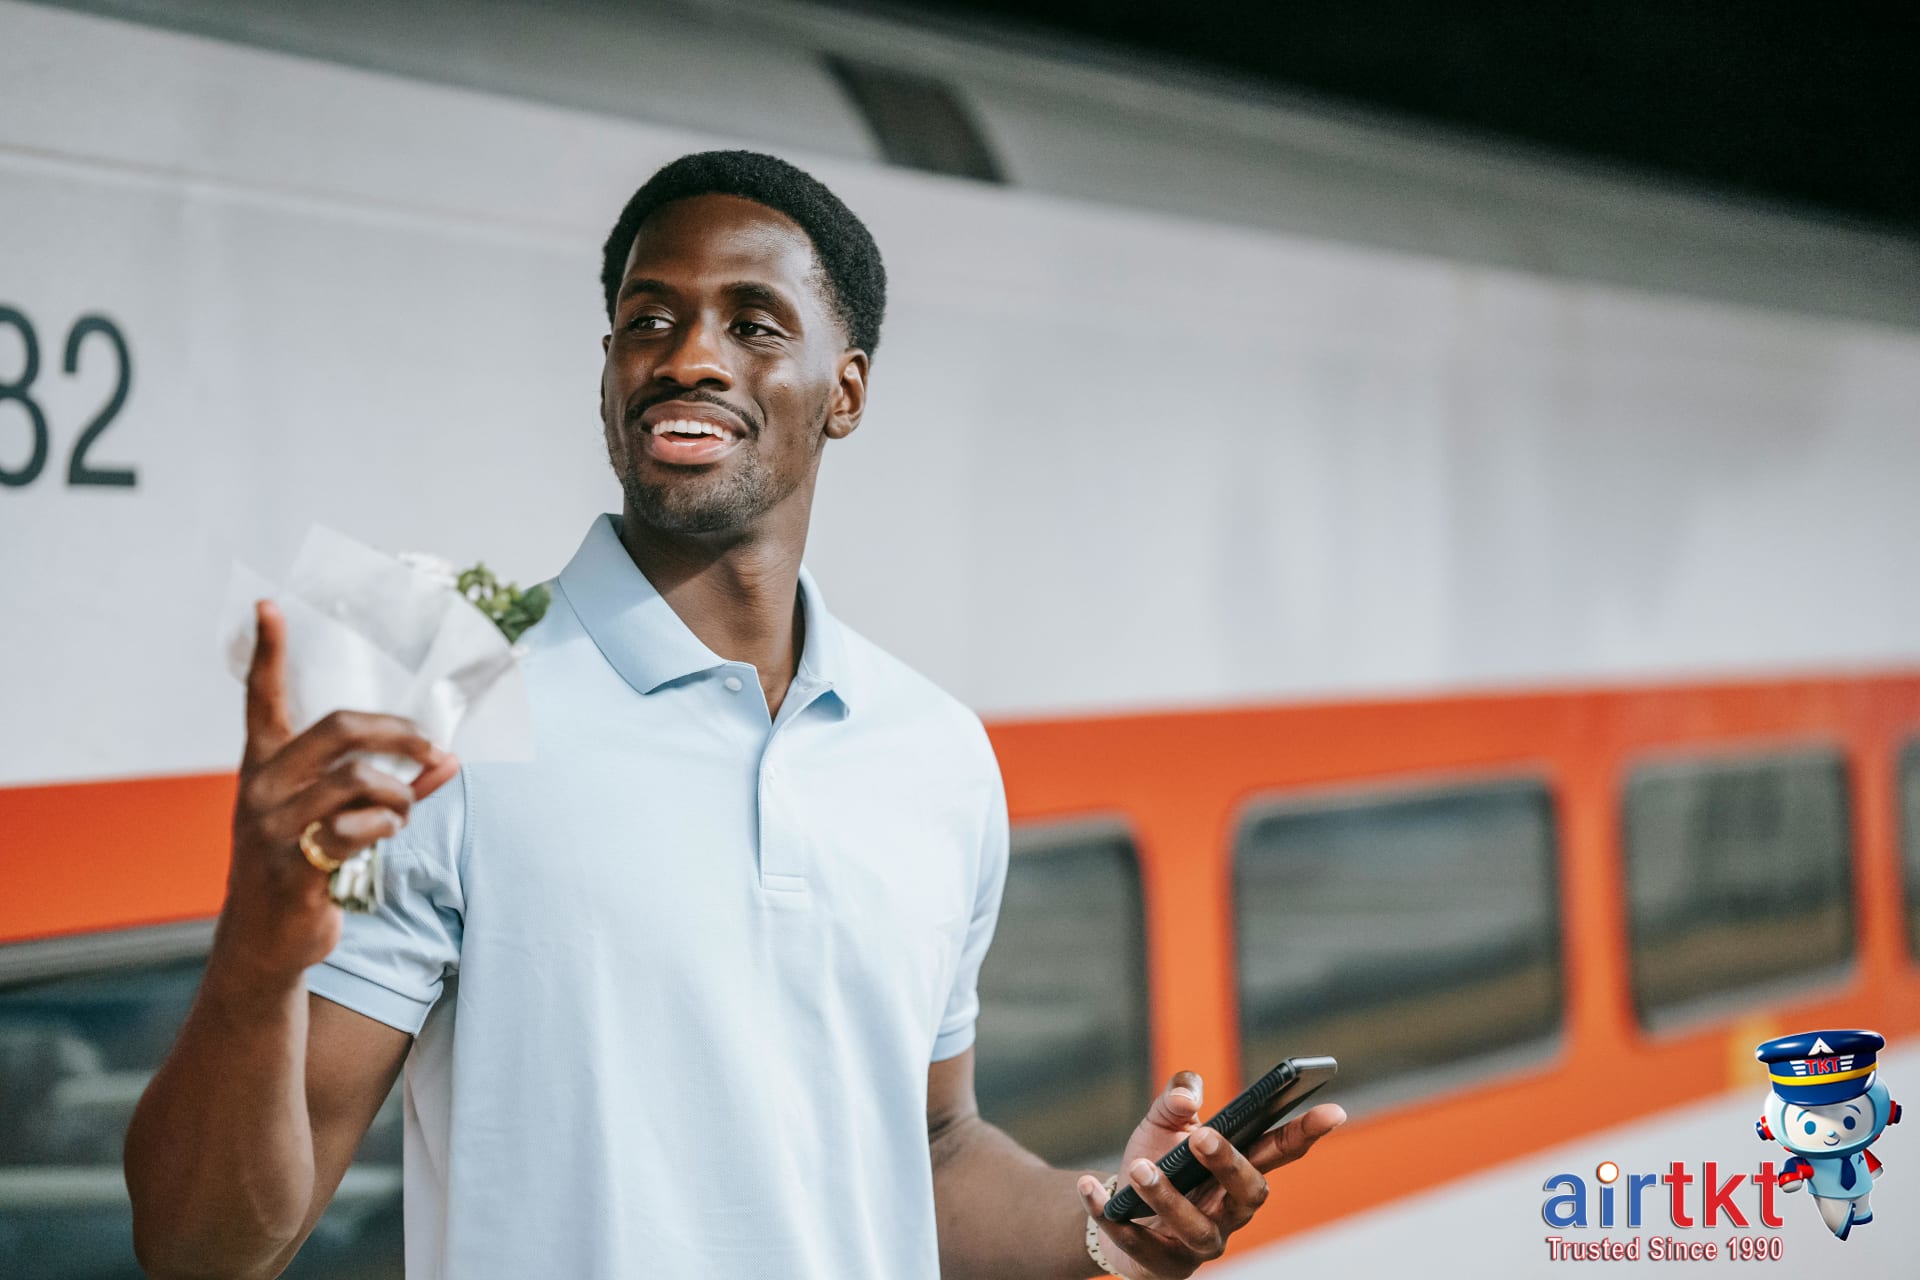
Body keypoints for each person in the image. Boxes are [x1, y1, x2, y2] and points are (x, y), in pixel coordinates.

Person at [123, 150, 1344, 1279]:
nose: (688, 355)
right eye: (647, 320)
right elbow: (211, 1243)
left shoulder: (934, 751)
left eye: (752, 324)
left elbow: (928, 1146)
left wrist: (1108, 1234)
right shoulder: (448, 705)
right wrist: (257, 957)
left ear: (845, 389)